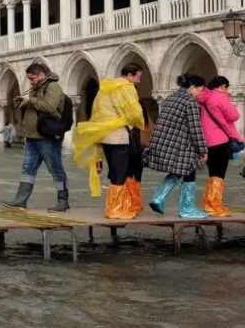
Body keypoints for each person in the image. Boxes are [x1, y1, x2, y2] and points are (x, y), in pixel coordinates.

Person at [72, 63, 146, 219]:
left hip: (106, 136)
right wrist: (139, 124)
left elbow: (97, 112)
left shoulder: (105, 89)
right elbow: (134, 112)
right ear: (130, 75)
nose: (138, 81)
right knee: (121, 171)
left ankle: (120, 205)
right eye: (138, 77)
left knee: (114, 171)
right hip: (120, 136)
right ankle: (115, 209)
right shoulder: (127, 88)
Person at [2, 63, 70, 213]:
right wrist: (22, 103)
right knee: (28, 169)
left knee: (55, 169)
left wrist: (30, 100)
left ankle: (63, 201)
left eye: (32, 78)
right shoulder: (36, 89)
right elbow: (36, 107)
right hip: (32, 137)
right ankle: (20, 200)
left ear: (40, 75)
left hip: (47, 137)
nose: (30, 82)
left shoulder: (53, 87)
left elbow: (49, 106)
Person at [143, 74, 209, 219]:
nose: (200, 93)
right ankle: (187, 209)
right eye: (200, 90)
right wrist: (203, 149)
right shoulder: (189, 102)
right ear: (192, 87)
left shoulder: (170, 98)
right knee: (189, 171)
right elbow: (195, 128)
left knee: (180, 170)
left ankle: (159, 199)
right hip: (180, 145)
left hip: (166, 142)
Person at [196, 76, 241, 217]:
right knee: (219, 175)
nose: (227, 90)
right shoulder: (220, 97)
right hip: (220, 140)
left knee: (212, 174)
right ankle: (215, 206)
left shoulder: (204, 99)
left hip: (207, 142)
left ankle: (209, 203)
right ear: (222, 86)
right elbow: (234, 115)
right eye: (226, 87)